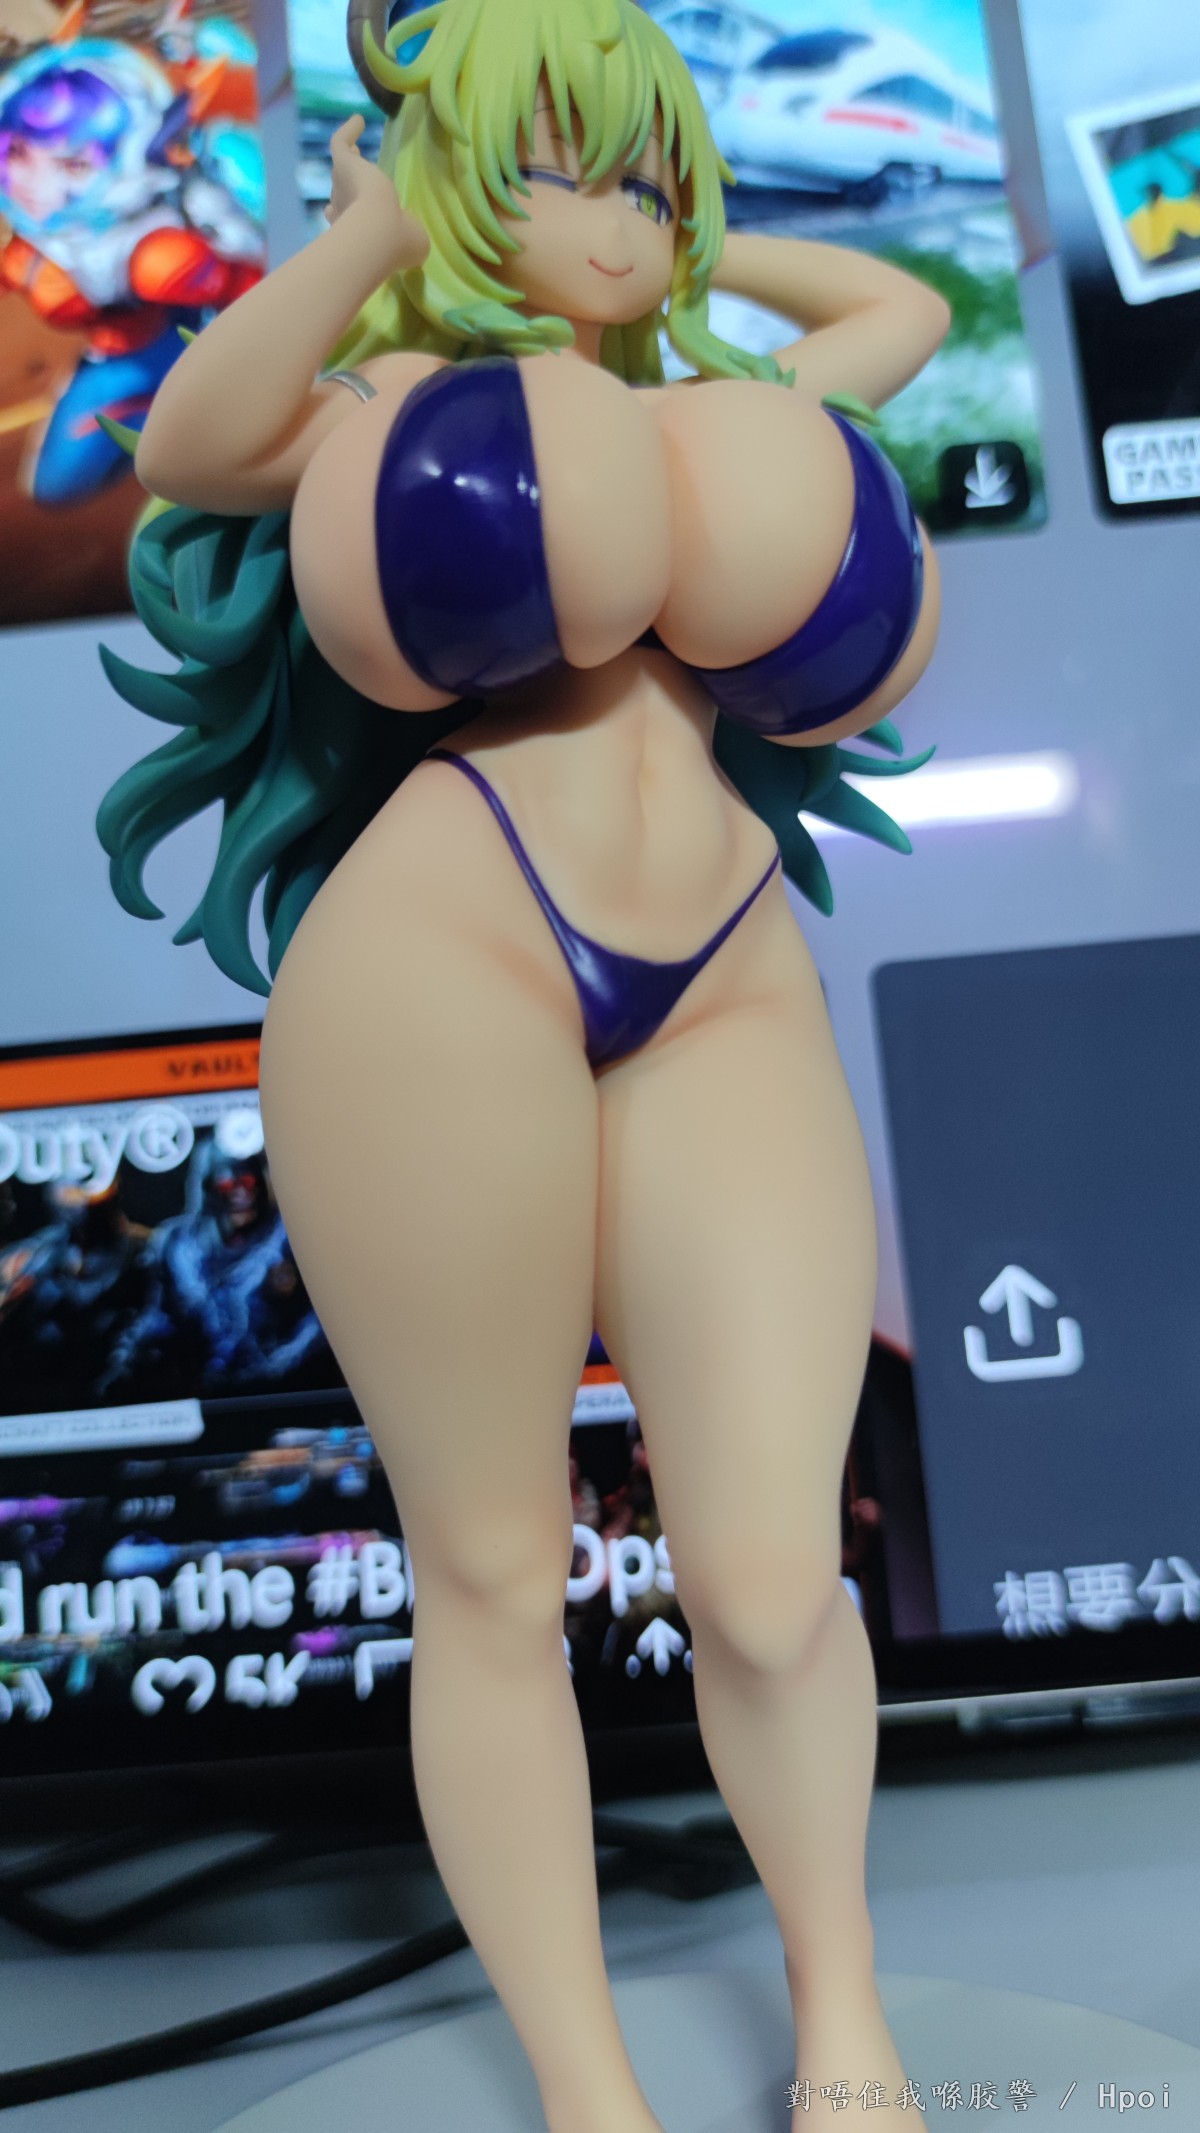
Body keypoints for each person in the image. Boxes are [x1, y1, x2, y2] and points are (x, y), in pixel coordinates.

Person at [98, 2, 951, 2125]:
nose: (619, 219)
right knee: (488, 1566)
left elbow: (904, 310)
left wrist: (699, 242)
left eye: (648, 172)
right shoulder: (389, 397)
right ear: (465, 180)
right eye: (558, 167)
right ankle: (592, 2092)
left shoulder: (728, 407)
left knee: (773, 1574)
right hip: (444, 956)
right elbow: (194, 439)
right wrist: (376, 230)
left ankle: (846, 2026)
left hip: (724, 963)